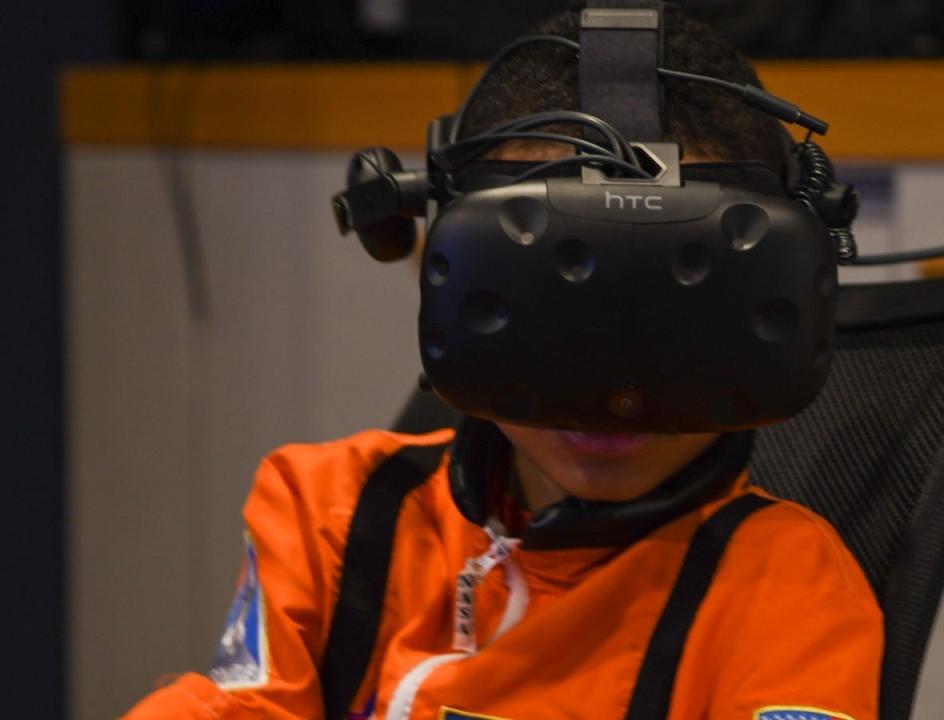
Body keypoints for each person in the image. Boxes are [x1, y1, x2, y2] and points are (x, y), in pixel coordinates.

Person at [124, 6, 882, 720]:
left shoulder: (788, 592)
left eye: (669, 323)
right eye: (558, 309)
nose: (612, 390)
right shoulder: (335, 514)